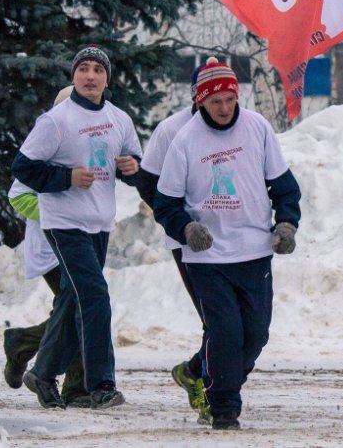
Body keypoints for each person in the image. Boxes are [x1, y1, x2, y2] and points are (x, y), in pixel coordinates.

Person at [153, 58, 302, 431]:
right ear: (201, 101)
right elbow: (165, 203)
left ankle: (198, 373)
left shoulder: (258, 128)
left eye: (230, 99)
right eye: (216, 101)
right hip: (208, 255)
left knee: (256, 334)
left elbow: (284, 187)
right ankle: (224, 407)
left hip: (254, 250)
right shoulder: (186, 139)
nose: (224, 108)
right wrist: (187, 228)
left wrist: (285, 223)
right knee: (225, 331)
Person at [11, 45, 142, 410]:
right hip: (63, 222)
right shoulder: (56, 121)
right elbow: (23, 168)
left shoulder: (119, 119)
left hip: (99, 222)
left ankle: (43, 372)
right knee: (95, 296)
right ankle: (100, 384)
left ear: (106, 78)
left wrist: (134, 168)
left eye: (97, 70)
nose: (90, 76)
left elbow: (134, 163)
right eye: (83, 69)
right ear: (73, 76)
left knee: (73, 300)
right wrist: (65, 177)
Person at [2, 86, 90, 408]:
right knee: (81, 309)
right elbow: (18, 194)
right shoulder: (47, 147)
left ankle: (22, 345)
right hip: (52, 248)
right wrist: (55, 215)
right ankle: (75, 387)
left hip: (82, 243)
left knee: (78, 310)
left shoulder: (87, 146)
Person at [135, 63, 210, 422]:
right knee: (214, 317)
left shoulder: (244, 126)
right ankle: (211, 389)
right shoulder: (171, 130)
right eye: (204, 89)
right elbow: (147, 183)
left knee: (243, 323)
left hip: (236, 239)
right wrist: (179, 222)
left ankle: (196, 371)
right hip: (188, 241)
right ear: (195, 92)